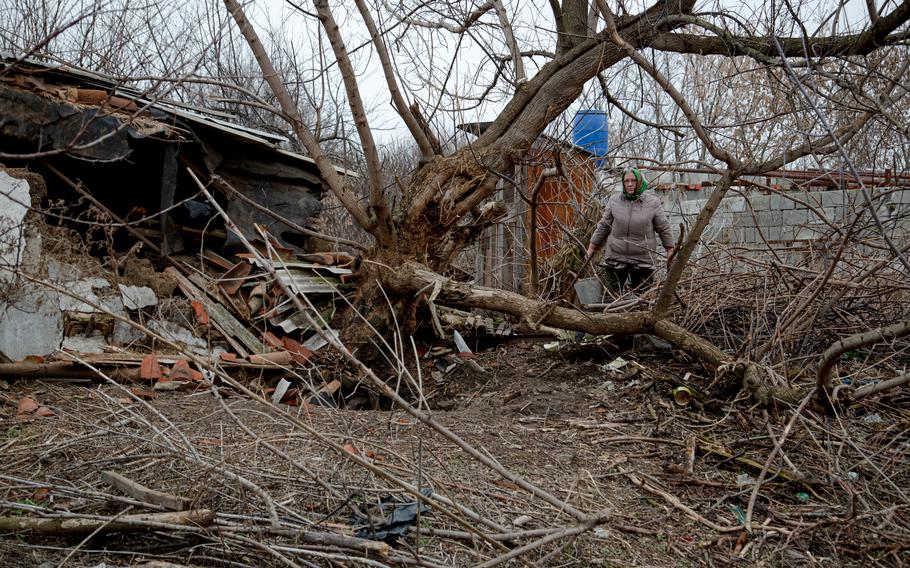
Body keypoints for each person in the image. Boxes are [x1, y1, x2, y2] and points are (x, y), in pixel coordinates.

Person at [585, 167, 675, 296]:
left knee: (643, 299)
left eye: (633, 180)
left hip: (643, 261)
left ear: (639, 182)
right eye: (626, 181)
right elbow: (604, 226)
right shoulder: (615, 201)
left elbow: (663, 227)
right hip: (615, 258)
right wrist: (592, 246)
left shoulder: (652, 203)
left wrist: (670, 249)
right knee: (608, 296)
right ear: (623, 183)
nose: (630, 184)